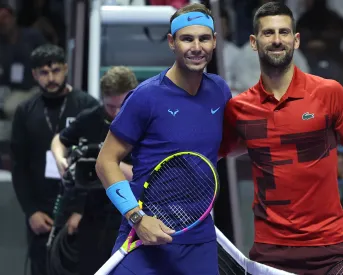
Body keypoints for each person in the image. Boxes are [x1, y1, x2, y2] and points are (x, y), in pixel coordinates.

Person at [219, 3, 343, 274]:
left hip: (331, 250)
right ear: (253, 42)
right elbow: (207, 156)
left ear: (296, 40)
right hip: (270, 255)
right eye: (268, 33)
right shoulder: (239, 109)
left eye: (284, 32)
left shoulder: (329, 93)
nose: (277, 40)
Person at [95, 3, 231, 274]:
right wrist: (137, 218)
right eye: (186, 38)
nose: (196, 47)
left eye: (204, 38)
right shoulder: (145, 97)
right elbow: (105, 162)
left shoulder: (220, 91)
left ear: (214, 41)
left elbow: (213, 148)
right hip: (143, 236)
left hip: (198, 239)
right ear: (172, 42)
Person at [10, 44, 99, 275]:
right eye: (44, 73)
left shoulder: (87, 106)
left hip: (78, 210)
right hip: (40, 211)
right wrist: (30, 212)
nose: (51, 78)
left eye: (56, 70)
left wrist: (80, 210)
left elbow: (96, 164)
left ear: (66, 69)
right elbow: (19, 167)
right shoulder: (25, 111)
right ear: (34, 75)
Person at [50, 66, 138, 275]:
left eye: (122, 105)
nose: (116, 112)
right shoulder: (90, 118)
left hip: (129, 210)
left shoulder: (144, 123)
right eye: (110, 106)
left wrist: (107, 163)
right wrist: (60, 159)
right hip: (91, 210)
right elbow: (59, 140)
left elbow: (144, 174)